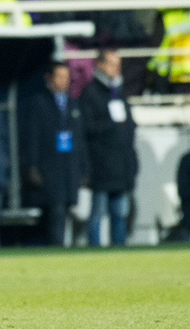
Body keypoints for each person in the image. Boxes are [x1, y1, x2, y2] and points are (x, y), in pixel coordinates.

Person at [24, 62, 89, 246]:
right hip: (50, 167)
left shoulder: (74, 104)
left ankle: (64, 245)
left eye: (66, 77)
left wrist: (84, 168)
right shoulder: (40, 103)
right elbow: (33, 137)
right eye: (60, 77)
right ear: (50, 78)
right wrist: (32, 166)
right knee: (55, 210)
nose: (64, 81)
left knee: (68, 209)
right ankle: (57, 247)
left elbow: (80, 140)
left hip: (70, 167)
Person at [79, 49, 138, 246]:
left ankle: (119, 248)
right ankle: (95, 249)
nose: (117, 69)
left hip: (120, 167)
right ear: (100, 65)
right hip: (101, 165)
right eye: (112, 64)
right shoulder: (91, 93)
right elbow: (87, 128)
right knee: (98, 213)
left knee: (120, 214)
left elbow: (129, 129)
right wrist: (111, 124)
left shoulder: (120, 92)